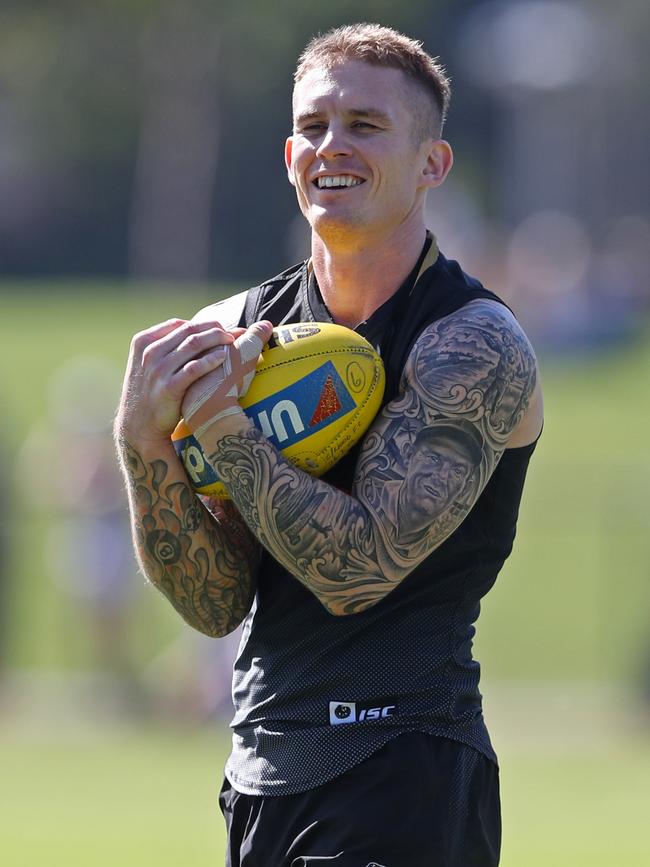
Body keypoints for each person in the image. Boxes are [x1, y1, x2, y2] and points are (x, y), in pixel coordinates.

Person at [115, 22, 544, 866]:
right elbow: (213, 604)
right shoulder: (234, 331)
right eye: (313, 127)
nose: (332, 146)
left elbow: (359, 572)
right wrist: (141, 445)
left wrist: (216, 424)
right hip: (262, 768)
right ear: (287, 156)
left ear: (433, 164)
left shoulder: (472, 343)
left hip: (402, 767)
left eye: (366, 125)